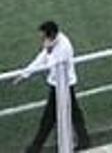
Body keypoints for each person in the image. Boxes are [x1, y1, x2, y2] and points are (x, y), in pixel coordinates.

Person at [14, 21, 89, 152]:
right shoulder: (54, 43)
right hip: (59, 84)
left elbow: (52, 63)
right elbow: (41, 58)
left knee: (49, 118)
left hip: (63, 85)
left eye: (43, 37)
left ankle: (36, 147)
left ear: (52, 35)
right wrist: (25, 73)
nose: (42, 40)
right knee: (73, 114)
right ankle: (84, 140)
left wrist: (48, 50)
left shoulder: (64, 46)